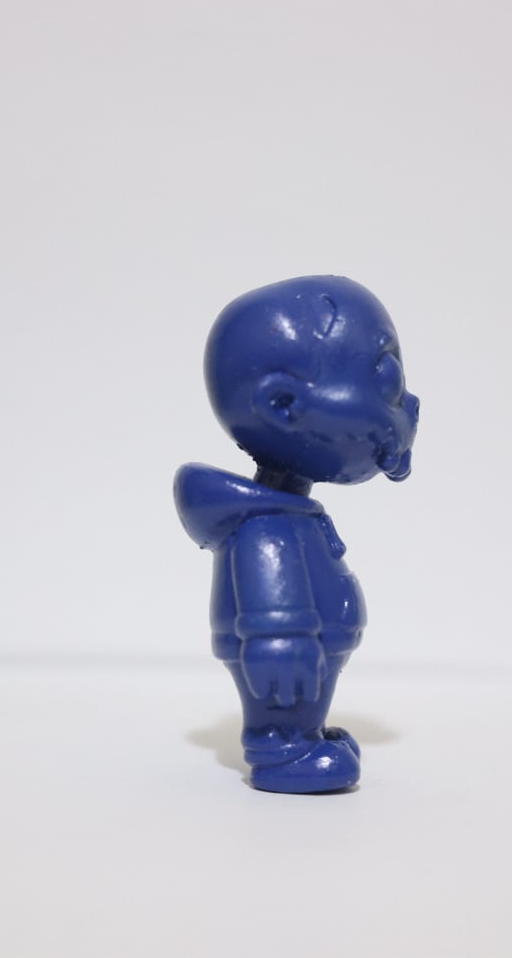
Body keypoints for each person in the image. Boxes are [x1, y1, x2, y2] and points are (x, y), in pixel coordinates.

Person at [174, 275, 419, 793]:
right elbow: (272, 607)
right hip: (286, 660)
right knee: (285, 696)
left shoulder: (284, 512)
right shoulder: (265, 526)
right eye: (387, 381)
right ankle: (281, 747)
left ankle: (305, 733)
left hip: (312, 653)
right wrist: (280, 645)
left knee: (303, 694)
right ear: (284, 405)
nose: (408, 401)